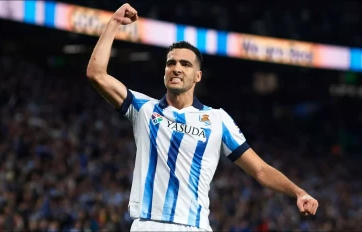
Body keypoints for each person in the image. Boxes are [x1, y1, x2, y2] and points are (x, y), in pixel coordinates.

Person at [86, 3, 319, 232]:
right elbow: (96, 74)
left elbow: (259, 169)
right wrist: (114, 23)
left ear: (197, 76)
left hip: (194, 226)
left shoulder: (217, 120)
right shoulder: (144, 108)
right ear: (165, 72)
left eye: (185, 64)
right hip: (147, 224)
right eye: (171, 63)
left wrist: (298, 192)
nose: (176, 68)